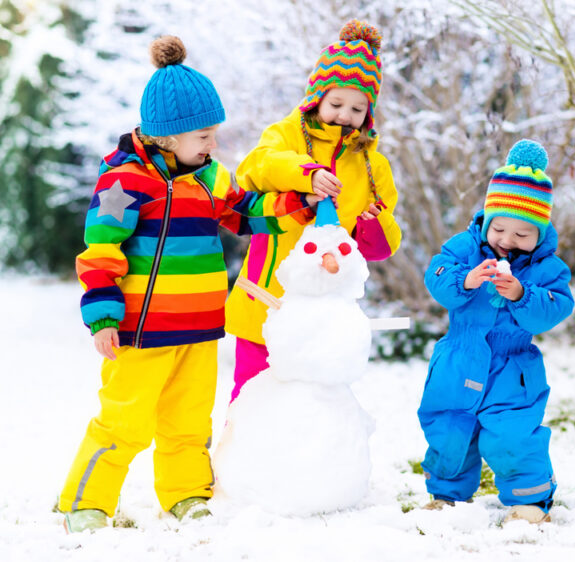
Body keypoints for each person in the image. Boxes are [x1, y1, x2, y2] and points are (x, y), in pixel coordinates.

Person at [58, 36, 321, 533]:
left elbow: (247, 214)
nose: (213, 144)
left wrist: (297, 205)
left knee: (188, 422)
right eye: (204, 134)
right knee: (124, 422)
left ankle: (184, 494)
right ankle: (85, 500)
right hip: (139, 332)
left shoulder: (210, 178)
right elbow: (100, 252)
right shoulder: (123, 183)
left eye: (213, 133)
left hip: (199, 330)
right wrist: (103, 316)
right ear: (168, 136)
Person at [225, 19, 402, 402]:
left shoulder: (373, 166)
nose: (344, 115)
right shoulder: (286, 134)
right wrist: (306, 174)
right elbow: (255, 167)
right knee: (253, 395)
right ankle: (243, 462)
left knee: (314, 403)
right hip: (266, 300)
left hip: (325, 315)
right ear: (317, 97)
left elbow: (383, 245)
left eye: (357, 108)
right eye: (336, 103)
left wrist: (373, 225)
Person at [417, 140, 574, 525]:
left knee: (511, 435)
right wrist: (465, 281)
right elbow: (436, 275)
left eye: (523, 233)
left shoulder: (547, 269)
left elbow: (556, 307)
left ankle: (529, 501)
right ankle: (446, 495)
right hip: (457, 359)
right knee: (449, 428)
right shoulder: (465, 249)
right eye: (499, 227)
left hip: (512, 368)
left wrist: (522, 295)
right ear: (487, 219)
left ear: (540, 233)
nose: (507, 240)